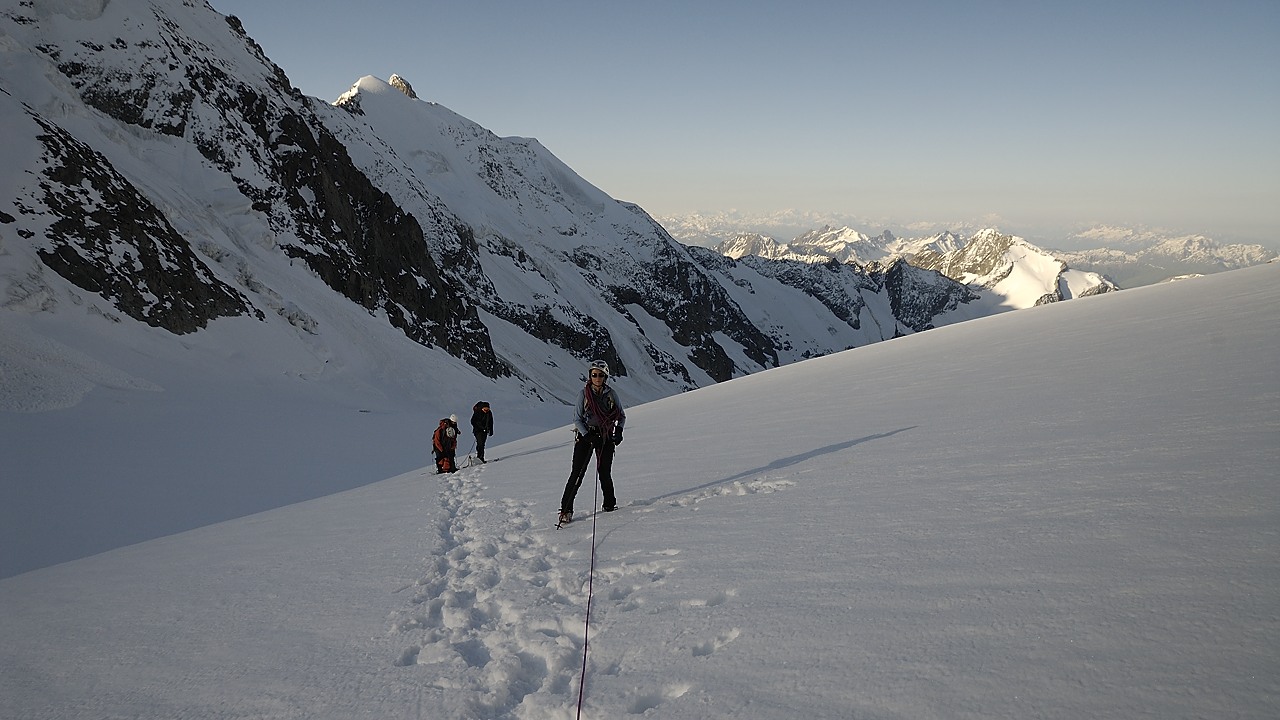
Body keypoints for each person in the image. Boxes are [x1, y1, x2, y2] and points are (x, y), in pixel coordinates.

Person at [559, 360, 626, 525]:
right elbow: (577, 419)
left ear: (605, 377)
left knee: (604, 472)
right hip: (586, 436)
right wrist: (587, 435)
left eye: (600, 375)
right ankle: (566, 510)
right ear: (590, 376)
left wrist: (619, 431)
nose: (597, 378)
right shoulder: (583, 394)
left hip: (605, 436)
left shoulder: (611, 394)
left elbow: (621, 415)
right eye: (594, 374)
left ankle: (609, 504)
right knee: (577, 473)